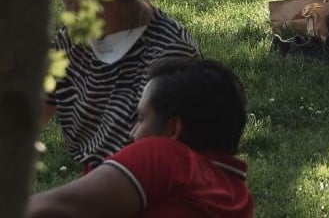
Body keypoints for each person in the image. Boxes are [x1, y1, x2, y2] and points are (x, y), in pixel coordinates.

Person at [45, 0, 201, 169]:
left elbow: (162, 164)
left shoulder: (170, 54)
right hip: (100, 187)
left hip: (151, 189)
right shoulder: (73, 38)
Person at [29, 58, 253, 217]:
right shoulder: (238, 197)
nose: (132, 132)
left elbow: (49, 209)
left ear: (172, 129)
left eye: (140, 118)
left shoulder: (166, 156)